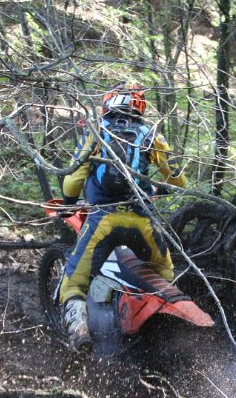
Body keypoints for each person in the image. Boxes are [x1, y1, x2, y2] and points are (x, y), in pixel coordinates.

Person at [59, 83, 186, 351]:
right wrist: (159, 189)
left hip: (103, 220)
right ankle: (159, 323)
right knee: (164, 273)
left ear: (109, 103)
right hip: (141, 222)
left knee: (74, 282)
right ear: (139, 107)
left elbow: (72, 179)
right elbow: (178, 180)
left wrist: (69, 203)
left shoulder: (97, 131)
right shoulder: (151, 135)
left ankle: (80, 332)